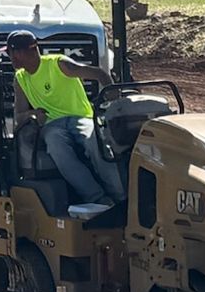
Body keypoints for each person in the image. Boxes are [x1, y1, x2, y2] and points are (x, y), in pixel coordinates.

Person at [7, 29, 124, 212]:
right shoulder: (20, 78)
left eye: (10, 53)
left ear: (21, 52)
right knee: (57, 147)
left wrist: (113, 94)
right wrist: (33, 114)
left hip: (80, 117)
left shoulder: (58, 64)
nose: (10, 58)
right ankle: (99, 200)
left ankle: (121, 196)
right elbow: (19, 116)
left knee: (94, 141)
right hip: (52, 125)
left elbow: (99, 74)